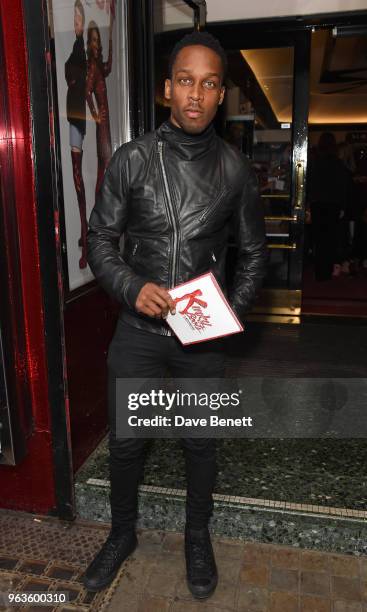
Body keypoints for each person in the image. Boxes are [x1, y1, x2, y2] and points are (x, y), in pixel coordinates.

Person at [85, 31, 267, 598]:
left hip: (200, 338)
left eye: (209, 83)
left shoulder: (235, 170)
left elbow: (255, 256)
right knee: (127, 442)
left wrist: (224, 318)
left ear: (221, 97)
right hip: (137, 332)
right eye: (185, 81)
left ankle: (196, 535)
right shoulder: (132, 159)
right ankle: (121, 535)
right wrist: (129, 285)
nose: (196, 94)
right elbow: (99, 239)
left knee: (199, 442)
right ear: (168, 90)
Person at [65, 0, 88, 269]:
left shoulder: (80, 50)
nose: (75, 24)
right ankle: (84, 233)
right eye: (74, 20)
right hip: (73, 115)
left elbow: (80, 81)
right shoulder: (76, 47)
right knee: (77, 179)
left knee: (78, 179)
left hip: (76, 118)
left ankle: (85, 234)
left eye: (78, 19)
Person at [307, 132, 349, 280]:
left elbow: (310, 184)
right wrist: (342, 206)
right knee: (330, 239)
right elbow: (342, 187)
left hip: (318, 203)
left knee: (318, 238)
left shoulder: (314, 162)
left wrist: (309, 203)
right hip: (333, 204)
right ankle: (327, 271)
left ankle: (319, 271)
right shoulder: (338, 163)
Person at [85, 13, 114, 198]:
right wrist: (95, 115)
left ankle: (100, 209)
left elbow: (109, 67)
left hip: (106, 122)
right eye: (93, 40)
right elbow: (86, 92)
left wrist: (110, 39)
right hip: (102, 123)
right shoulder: (93, 68)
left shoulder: (98, 67)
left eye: (98, 39)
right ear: (89, 43)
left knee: (104, 165)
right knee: (104, 165)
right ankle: (99, 208)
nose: (96, 43)